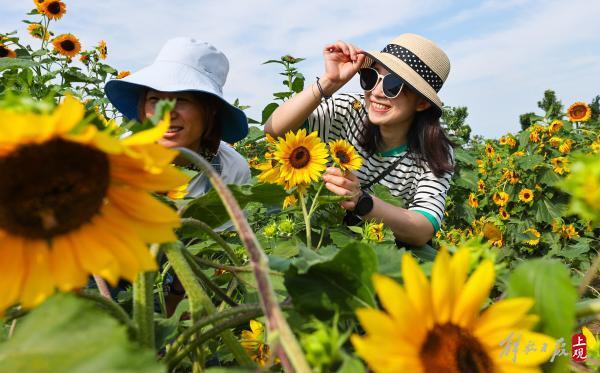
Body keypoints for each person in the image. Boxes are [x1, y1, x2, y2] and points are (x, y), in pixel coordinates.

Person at [265, 34, 454, 247]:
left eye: (393, 85)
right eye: (370, 77)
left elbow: (422, 229)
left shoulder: (436, 151)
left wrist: (361, 201)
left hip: (382, 250)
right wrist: (329, 82)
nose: (376, 92)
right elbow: (274, 130)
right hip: (321, 236)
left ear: (421, 103)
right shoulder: (349, 109)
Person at [105, 37, 251, 197]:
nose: (166, 114)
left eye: (180, 100)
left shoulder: (230, 169)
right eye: (155, 100)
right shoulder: (116, 158)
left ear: (211, 109)